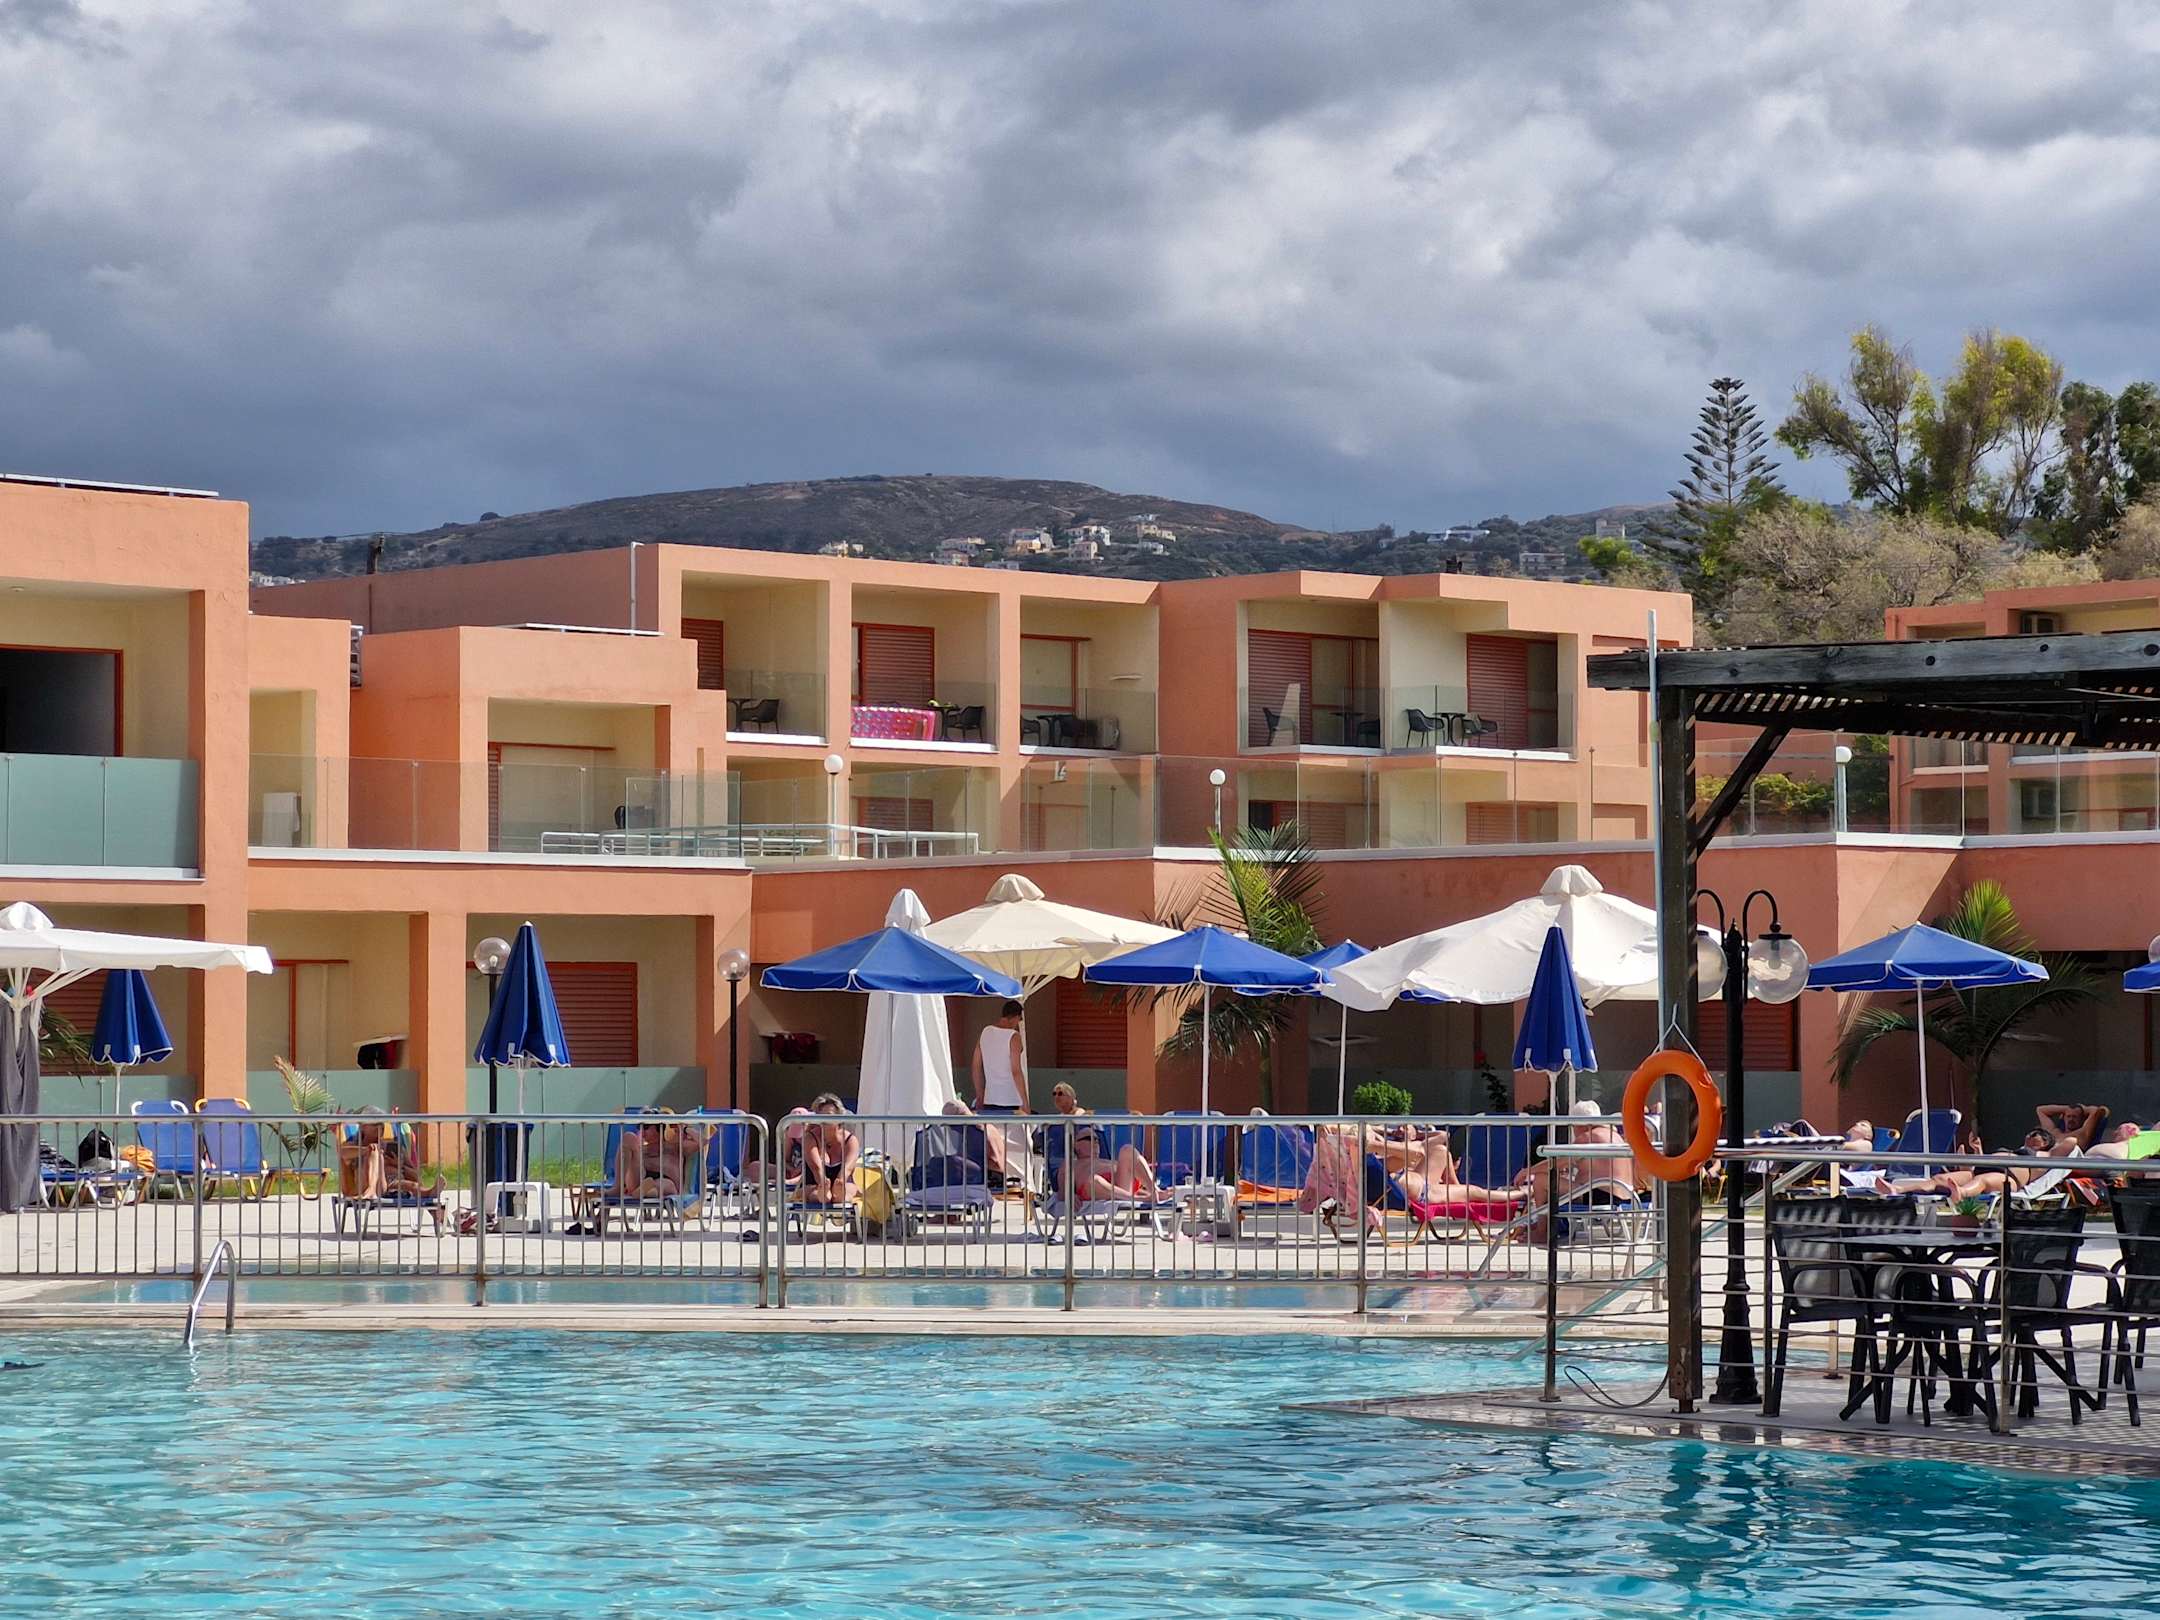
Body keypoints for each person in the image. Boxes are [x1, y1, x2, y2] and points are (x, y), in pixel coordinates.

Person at [799, 1093, 860, 1207]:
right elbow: (816, 1167)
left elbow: (848, 1168)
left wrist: (840, 1181)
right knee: (816, 1194)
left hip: (843, 1183)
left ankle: (838, 1196)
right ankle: (824, 1195)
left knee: (847, 1193)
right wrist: (822, 1183)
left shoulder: (850, 1140)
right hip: (814, 1183)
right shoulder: (810, 1138)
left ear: (839, 1117)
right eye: (821, 1116)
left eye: (829, 1115)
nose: (825, 1119)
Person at [972, 1001, 1030, 1115]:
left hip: (990, 1098)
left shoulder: (985, 1032)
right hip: (1011, 1099)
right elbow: (1016, 1071)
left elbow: (976, 1066)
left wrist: (979, 1095)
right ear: (1016, 1017)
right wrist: (1025, 1102)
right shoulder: (1014, 1036)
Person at [2036, 1103, 2110, 1153]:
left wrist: (2082, 1108)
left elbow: (2096, 1110)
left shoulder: (2082, 1134)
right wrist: (2067, 1109)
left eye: (2075, 1117)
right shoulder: (2054, 1132)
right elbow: (2040, 1110)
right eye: (2068, 1116)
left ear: (2082, 1119)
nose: (2071, 1119)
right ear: (2064, 1118)